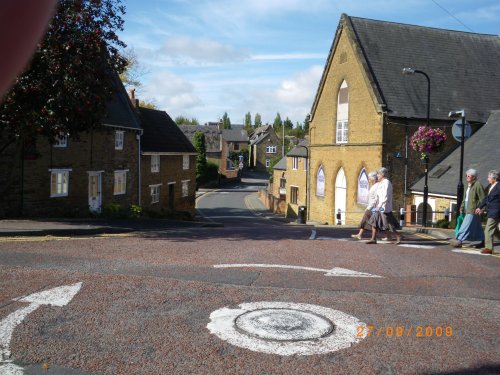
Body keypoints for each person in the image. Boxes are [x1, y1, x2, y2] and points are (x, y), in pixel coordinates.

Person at [450, 169, 485, 248]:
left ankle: (459, 240)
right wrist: (462, 207)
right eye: (466, 176)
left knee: (465, 224)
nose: (467, 177)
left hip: (473, 209)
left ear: (474, 177)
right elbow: (465, 198)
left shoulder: (477, 184)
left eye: (468, 176)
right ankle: (483, 240)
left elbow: (483, 198)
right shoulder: (468, 185)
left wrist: (481, 208)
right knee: (477, 226)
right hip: (467, 207)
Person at [366, 167, 401, 244]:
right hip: (378, 207)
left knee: (387, 223)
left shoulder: (386, 183)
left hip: (383, 208)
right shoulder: (381, 183)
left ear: (382, 175)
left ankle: (398, 236)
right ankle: (373, 239)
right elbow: (377, 196)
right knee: (374, 221)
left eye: (378, 174)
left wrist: (380, 206)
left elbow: (385, 196)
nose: (377, 176)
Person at [475, 170, 500, 254]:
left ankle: (489, 248)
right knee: (495, 230)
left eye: (489, 177)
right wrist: (480, 207)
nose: (487, 179)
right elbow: (486, 198)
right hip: (492, 211)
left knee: (488, 230)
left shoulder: (499, 187)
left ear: (494, 178)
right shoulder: (492, 186)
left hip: (496, 211)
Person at [351, 172, 378, 240]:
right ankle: (360, 234)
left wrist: (369, 207)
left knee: (369, 221)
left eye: (369, 179)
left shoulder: (376, 187)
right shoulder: (374, 186)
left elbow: (375, 199)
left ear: (373, 179)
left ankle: (393, 235)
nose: (368, 180)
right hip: (371, 207)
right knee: (366, 220)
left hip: (373, 208)